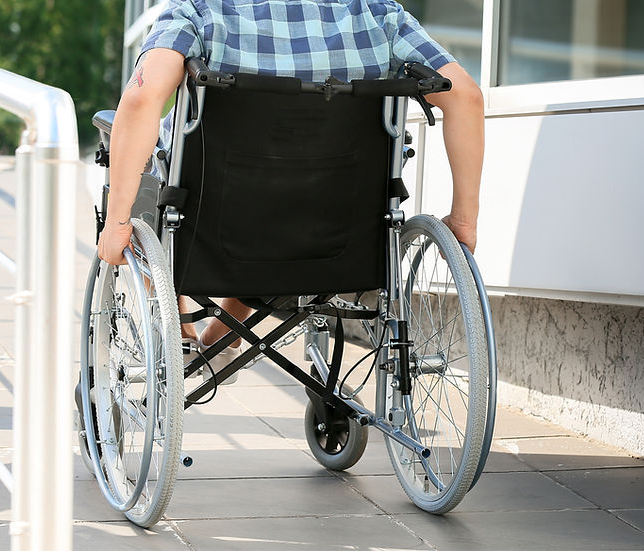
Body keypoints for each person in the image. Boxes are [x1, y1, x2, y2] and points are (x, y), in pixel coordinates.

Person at [96, 0, 483, 379]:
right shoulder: (379, 16)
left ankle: (177, 330)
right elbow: (465, 95)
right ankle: (223, 337)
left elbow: (142, 97)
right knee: (275, 204)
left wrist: (116, 224)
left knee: (151, 180)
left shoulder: (199, 12)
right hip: (333, 231)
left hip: (220, 222)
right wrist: (463, 220)